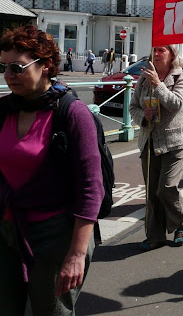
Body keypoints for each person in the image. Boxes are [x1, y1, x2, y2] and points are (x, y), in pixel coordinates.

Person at [0, 25, 103, 315]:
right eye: (3, 67)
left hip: (56, 235)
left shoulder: (71, 113)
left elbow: (90, 187)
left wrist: (76, 254)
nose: (8, 75)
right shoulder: (4, 110)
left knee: (50, 311)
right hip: (8, 230)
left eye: (18, 67)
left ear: (45, 66)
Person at [129, 45, 183, 251]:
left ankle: (180, 224)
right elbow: (133, 107)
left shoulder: (181, 76)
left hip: (174, 142)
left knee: (166, 188)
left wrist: (157, 84)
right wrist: (142, 117)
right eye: (154, 50)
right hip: (150, 141)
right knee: (152, 193)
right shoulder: (143, 78)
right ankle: (155, 235)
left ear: (172, 54)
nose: (156, 54)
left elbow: (177, 104)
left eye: (161, 50)